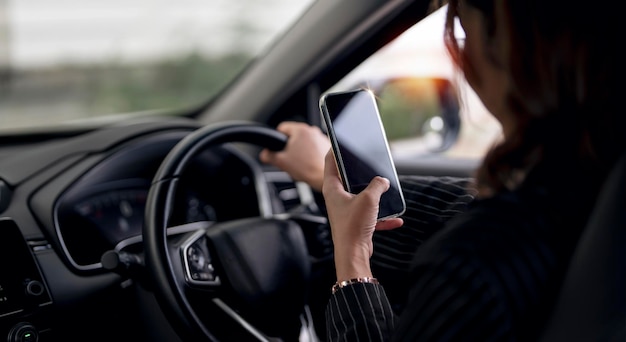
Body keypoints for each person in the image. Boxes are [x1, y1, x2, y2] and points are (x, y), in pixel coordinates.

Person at [262, 0, 626, 340]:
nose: (464, 56)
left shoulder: (472, 267)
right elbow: (461, 206)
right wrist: (324, 171)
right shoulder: (592, 183)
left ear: (507, 42)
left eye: (463, 30)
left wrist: (352, 256)